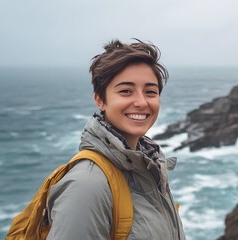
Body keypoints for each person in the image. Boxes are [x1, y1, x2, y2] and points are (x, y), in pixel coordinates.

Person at [45, 39, 186, 239]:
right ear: (100, 100)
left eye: (150, 92)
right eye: (126, 91)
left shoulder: (150, 169)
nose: (141, 102)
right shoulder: (87, 185)